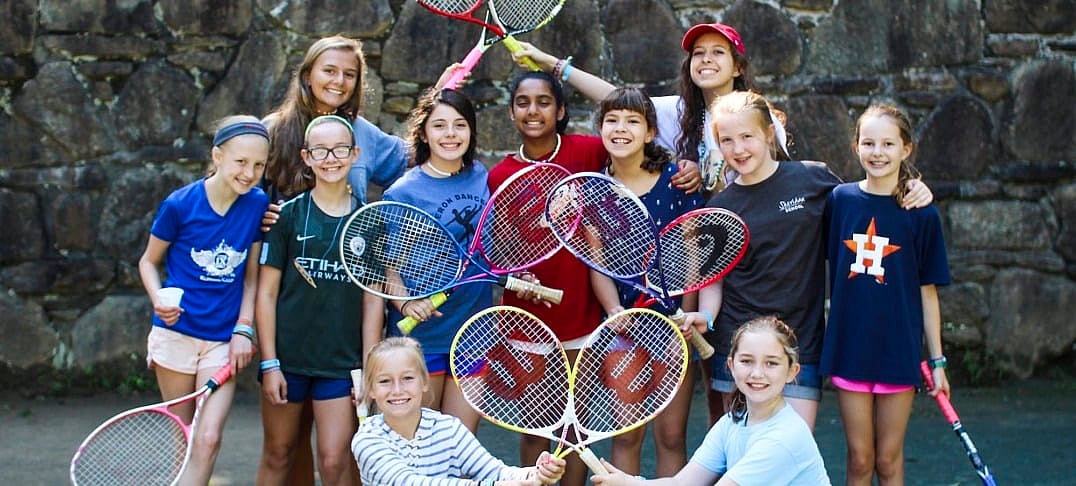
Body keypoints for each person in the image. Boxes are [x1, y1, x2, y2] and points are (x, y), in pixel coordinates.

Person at [511, 22, 768, 425]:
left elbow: (787, 174)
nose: (706, 60)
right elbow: (614, 100)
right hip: (687, 281)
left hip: (743, 262)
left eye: (718, 53)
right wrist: (551, 64)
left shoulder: (760, 117)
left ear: (737, 65)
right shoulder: (677, 111)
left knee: (728, 397)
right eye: (698, 53)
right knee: (707, 395)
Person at [486, 71, 701, 485]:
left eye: (545, 101)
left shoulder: (595, 155)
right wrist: (612, 310)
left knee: (586, 432)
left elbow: (626, 114)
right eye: (523, 102)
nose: (534, 111)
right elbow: (514, 249)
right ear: (511, 111)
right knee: (544, 431)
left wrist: (690, 312)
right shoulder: (508, 176)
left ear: (562, 110)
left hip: (602, 325)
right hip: (549, 321)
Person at [682, 91, 935, 431]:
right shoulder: (721, 207)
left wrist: (913, 186)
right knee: (748, 463)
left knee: (793, 454)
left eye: (747, 137)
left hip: (802, 346)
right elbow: (715, 280)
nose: (738, 149)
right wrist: (707, 316)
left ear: (769, 134)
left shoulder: (814, 180)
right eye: (726, 140)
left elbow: (866, 201)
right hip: (740, 350)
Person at [821, 105, 951, 485]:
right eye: (869, 143)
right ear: (856, 147)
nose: (878, 152)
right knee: (860, 460)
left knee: (889, 460)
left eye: (888, 143)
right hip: (850, 347)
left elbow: (928, 292)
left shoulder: (922, 213)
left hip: (899, 349)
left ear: (906, 149)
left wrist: (938, 361)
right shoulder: (839, 200)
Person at [137, 115, 269, 485]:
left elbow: (251, 278)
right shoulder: (179, 205)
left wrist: (245, 328)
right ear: (217, 156)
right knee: (184, 436)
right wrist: (158, 300)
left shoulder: (258, 204)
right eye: (241, 162)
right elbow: (148, 261)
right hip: (176, 334)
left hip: (222, 342)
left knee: (208, 438)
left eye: (258, 165)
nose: (249, 172)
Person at [254, 116, 383, 486]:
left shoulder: (368, 220)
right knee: (279, 452)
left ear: (355, 154)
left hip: (339, 367)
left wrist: (368, 367)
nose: (331, 158)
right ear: (306, 157)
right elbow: (266, 293)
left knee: (333, 459)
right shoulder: (287, 216)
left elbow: (372, 302)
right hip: (287, 362)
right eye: (321, 151)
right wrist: (269, 363)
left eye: (340, 149)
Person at [585, 87, 704, 477]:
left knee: (671, 436)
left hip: (673, 327)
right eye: (612, 120)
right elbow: (596, 259)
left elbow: (690, 253)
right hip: (624, 330)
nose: (621, 129)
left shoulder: (676, 181)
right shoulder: (592, 188)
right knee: (626, 436)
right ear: (600, 128)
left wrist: (686, 317)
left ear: (650, 132)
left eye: (632, 121)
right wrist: (614, 311)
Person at [590, 316, 831, 485]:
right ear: (731, 366)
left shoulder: (783, 441)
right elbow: (681, 483)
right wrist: (630, 483)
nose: (757, 373)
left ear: (792, 371)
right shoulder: (731, 423)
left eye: (771, 363)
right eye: (747, 361)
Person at [381, 87, 490, 433]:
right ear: (424, 132)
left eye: (459, 125)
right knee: (422, 450)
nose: (450, 134)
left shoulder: (482, 177)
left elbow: (492, 246)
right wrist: (406, 303)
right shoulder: (403, 192)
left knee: (461, 444)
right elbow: (389, 267)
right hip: (422, 338)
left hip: (474, 332)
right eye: (439, 125)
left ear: (471, 131)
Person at [352, 337, 567, 485]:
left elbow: (497, 471)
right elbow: (411, 483)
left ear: (424, 383)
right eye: (385, 381)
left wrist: (536, 472)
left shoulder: (449, 428)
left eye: (407, 378)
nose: (397, 390)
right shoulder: (367, 439)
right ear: (370, 389)